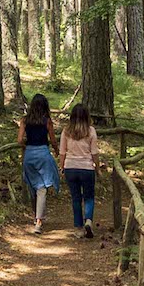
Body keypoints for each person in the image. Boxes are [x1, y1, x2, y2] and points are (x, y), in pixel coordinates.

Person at [58, 102, 103, 238]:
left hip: (70, 167)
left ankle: (78, 228)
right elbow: (94, 152)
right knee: (89, 196)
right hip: (86, 168)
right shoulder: (91, 131)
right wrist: (97, 168)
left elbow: (62, 152)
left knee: (76, 198)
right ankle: (88, 220)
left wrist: (61, 167)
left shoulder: (66, 131)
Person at [18, 93, 60, 233]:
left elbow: (19, 140)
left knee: (32, 186)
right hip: (43, 153)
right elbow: (53, 140)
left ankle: (36, 216)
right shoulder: (47, 121)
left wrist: (26, 146)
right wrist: (57, 151)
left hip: (29, 154)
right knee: (42, 188)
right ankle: (39, 221)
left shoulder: (24, 120)